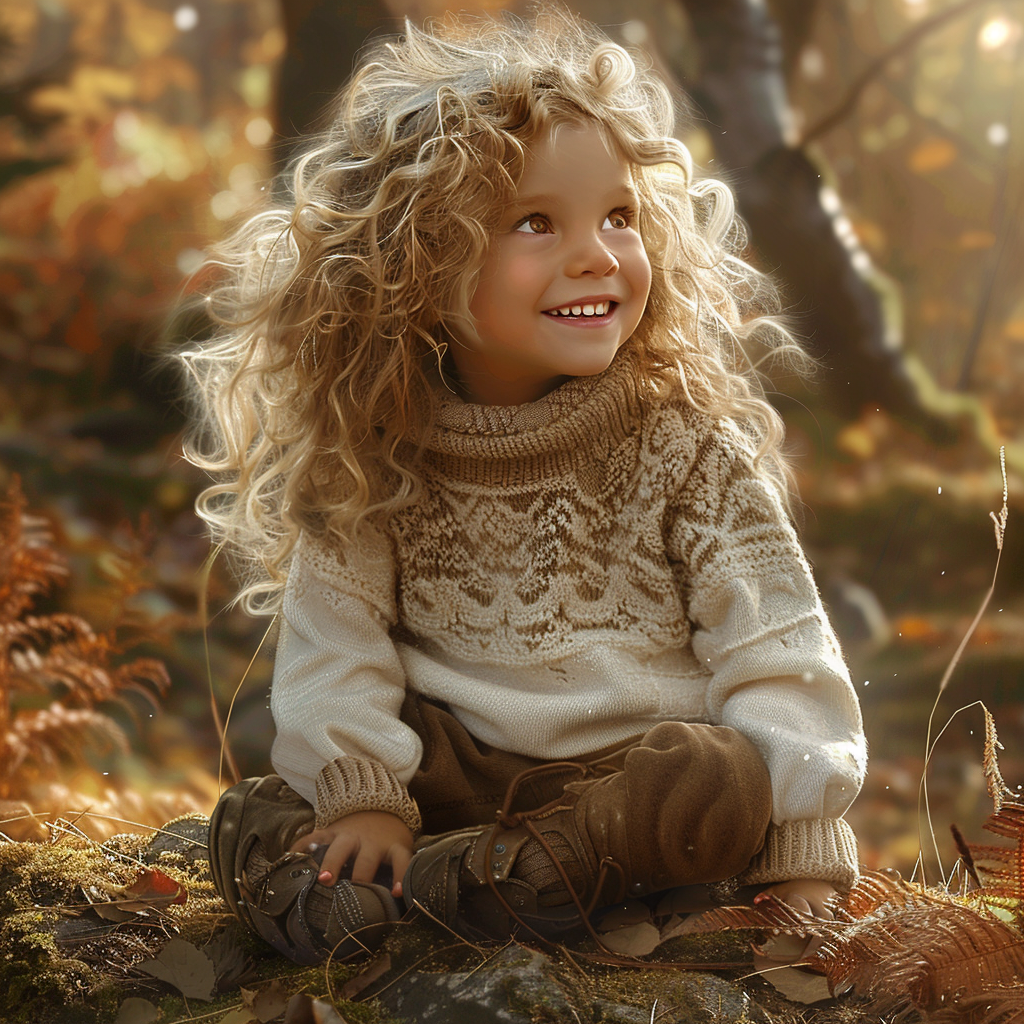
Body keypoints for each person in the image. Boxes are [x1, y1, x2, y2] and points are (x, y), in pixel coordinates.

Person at [183, 5, 866, 967]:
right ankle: (451, 884)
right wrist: (368, 794)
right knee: (284, 802)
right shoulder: (376, 451)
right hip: (449, 782)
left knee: (714, 778)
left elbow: (777, 652)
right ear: (415, 263)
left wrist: (802, 846)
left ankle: (480, 893)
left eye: (620, 217)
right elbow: (335, 647)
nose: (597, 253)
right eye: (536, 223)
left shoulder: (685, 449)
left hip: (630, 786)